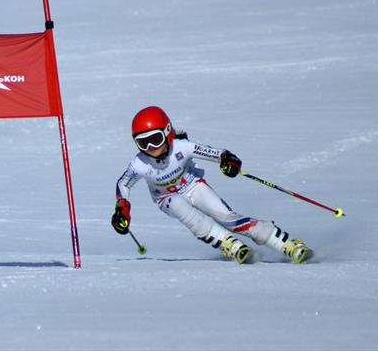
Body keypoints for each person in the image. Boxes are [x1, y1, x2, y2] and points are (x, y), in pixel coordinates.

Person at [112, 106, 311, 264]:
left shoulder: (181, 147)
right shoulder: (140, 164)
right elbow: (123, 184)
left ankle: (286, 244)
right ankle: (228, 244)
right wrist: (122, 209)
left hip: (193, 186)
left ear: (167, 132)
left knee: (228, 217)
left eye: (155, 140)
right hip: (166, 198)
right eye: (143, 143)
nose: (151, 148)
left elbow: (217, 154)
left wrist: (228, 160)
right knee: (181, 207)